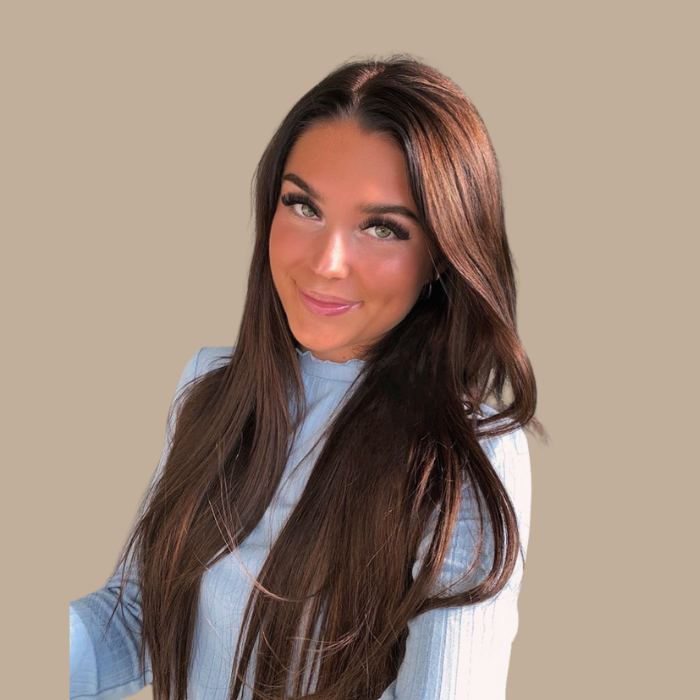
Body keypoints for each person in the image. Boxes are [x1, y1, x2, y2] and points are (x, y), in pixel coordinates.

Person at [70, 55, 540, 700]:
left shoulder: (468, 451)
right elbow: (134, 622)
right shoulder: (212, 386)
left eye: (382, 227)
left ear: (440, 256)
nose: (326, 263)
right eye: (303, 206)